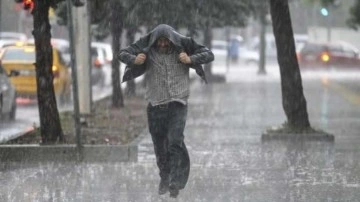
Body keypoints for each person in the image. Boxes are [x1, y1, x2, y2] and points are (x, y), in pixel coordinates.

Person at [118, 24, 214, 198]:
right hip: (155, 105)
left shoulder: (184, 43)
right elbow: (122, 54)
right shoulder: (146, 43)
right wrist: (134, 60)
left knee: (175, 142)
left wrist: (190, 59)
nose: (162, 44)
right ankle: (165, 177)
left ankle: (175, 182)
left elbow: (208, 54)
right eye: (159, 41)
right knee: (160, 147)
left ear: (172, 40)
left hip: (178, 104)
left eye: (165, 41)